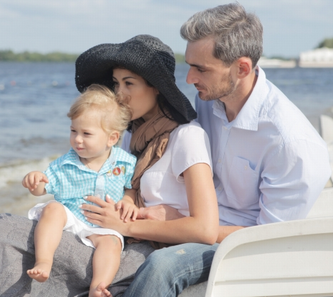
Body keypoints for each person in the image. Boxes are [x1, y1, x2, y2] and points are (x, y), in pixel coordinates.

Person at [88, 3, 330, 296]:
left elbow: (268, 238)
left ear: (241, 68)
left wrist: (180, 224)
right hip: (190, 221)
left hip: (235, 244)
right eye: (189, 65)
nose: (189, 79)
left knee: (162, 265)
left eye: (200, 68)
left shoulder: (293, 144)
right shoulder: (207, 99)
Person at [0, 34, 219, 297]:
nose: (119, 94)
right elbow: (117, 183)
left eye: (129, 83)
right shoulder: (128, 136)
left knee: (1, 231)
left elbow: (204, 230)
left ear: (157, 87)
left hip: (138, 250)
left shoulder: (187, 137)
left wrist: (125, 227)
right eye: (116, 83)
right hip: (104, 234)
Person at [21, 84, 138, 297]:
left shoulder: (125, 162)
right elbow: (43, 187)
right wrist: (35, 181)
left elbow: (131, 188)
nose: (77, 139)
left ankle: (98, 286)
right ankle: (44, 261)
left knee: (112, 243)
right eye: (73, 131)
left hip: (104, 225)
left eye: (86, 133)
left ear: (112, 138)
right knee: (53, 208)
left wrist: (128, 202)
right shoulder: (65, 163)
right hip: (72, 217)